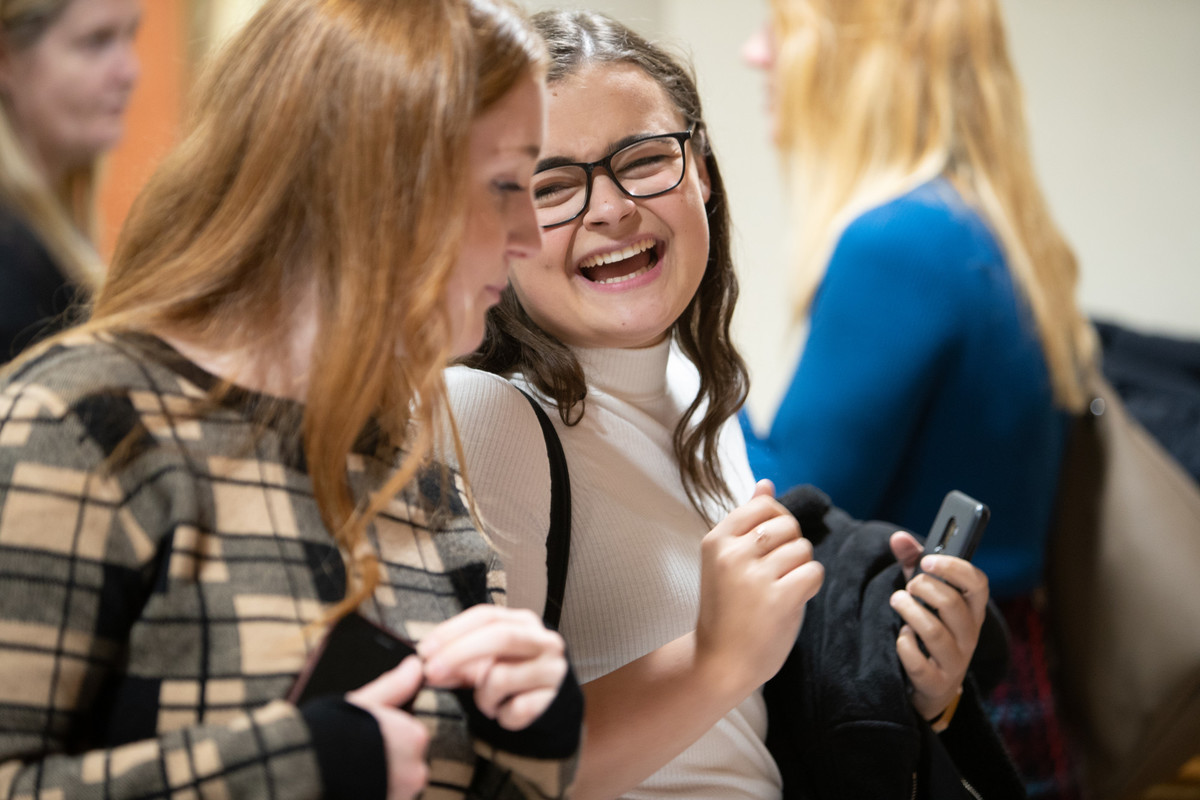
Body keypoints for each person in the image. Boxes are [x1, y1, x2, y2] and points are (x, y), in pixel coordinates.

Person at [0, 1, 583, 798]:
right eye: (505, 182)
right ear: (376, 181)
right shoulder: (83, 425)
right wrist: (286, 771)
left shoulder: (420, 473)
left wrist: (531, 741)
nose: (532, 235)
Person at [447, 10, 991, 799]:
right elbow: (493, 772)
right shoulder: (486, 414)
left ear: (701, 169)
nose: (610, 208)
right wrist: (714, 660)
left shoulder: (698, 395)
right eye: (553, 185)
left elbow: (739, 742)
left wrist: (924, 692)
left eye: (643, 159)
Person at [739, 1, 1095, 796]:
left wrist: (677, 361)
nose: (754, 53)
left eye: (782, 33)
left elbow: (787, 508)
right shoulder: (986, 230)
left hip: (942, 699)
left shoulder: (896, 243)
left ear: (859, 63)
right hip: (1007, 677)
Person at [0, 0, 141, 362]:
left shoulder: (46, 235)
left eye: (131, 36)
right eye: (97, 41)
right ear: (6, 59)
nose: (130, 72)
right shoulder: (10, 260)